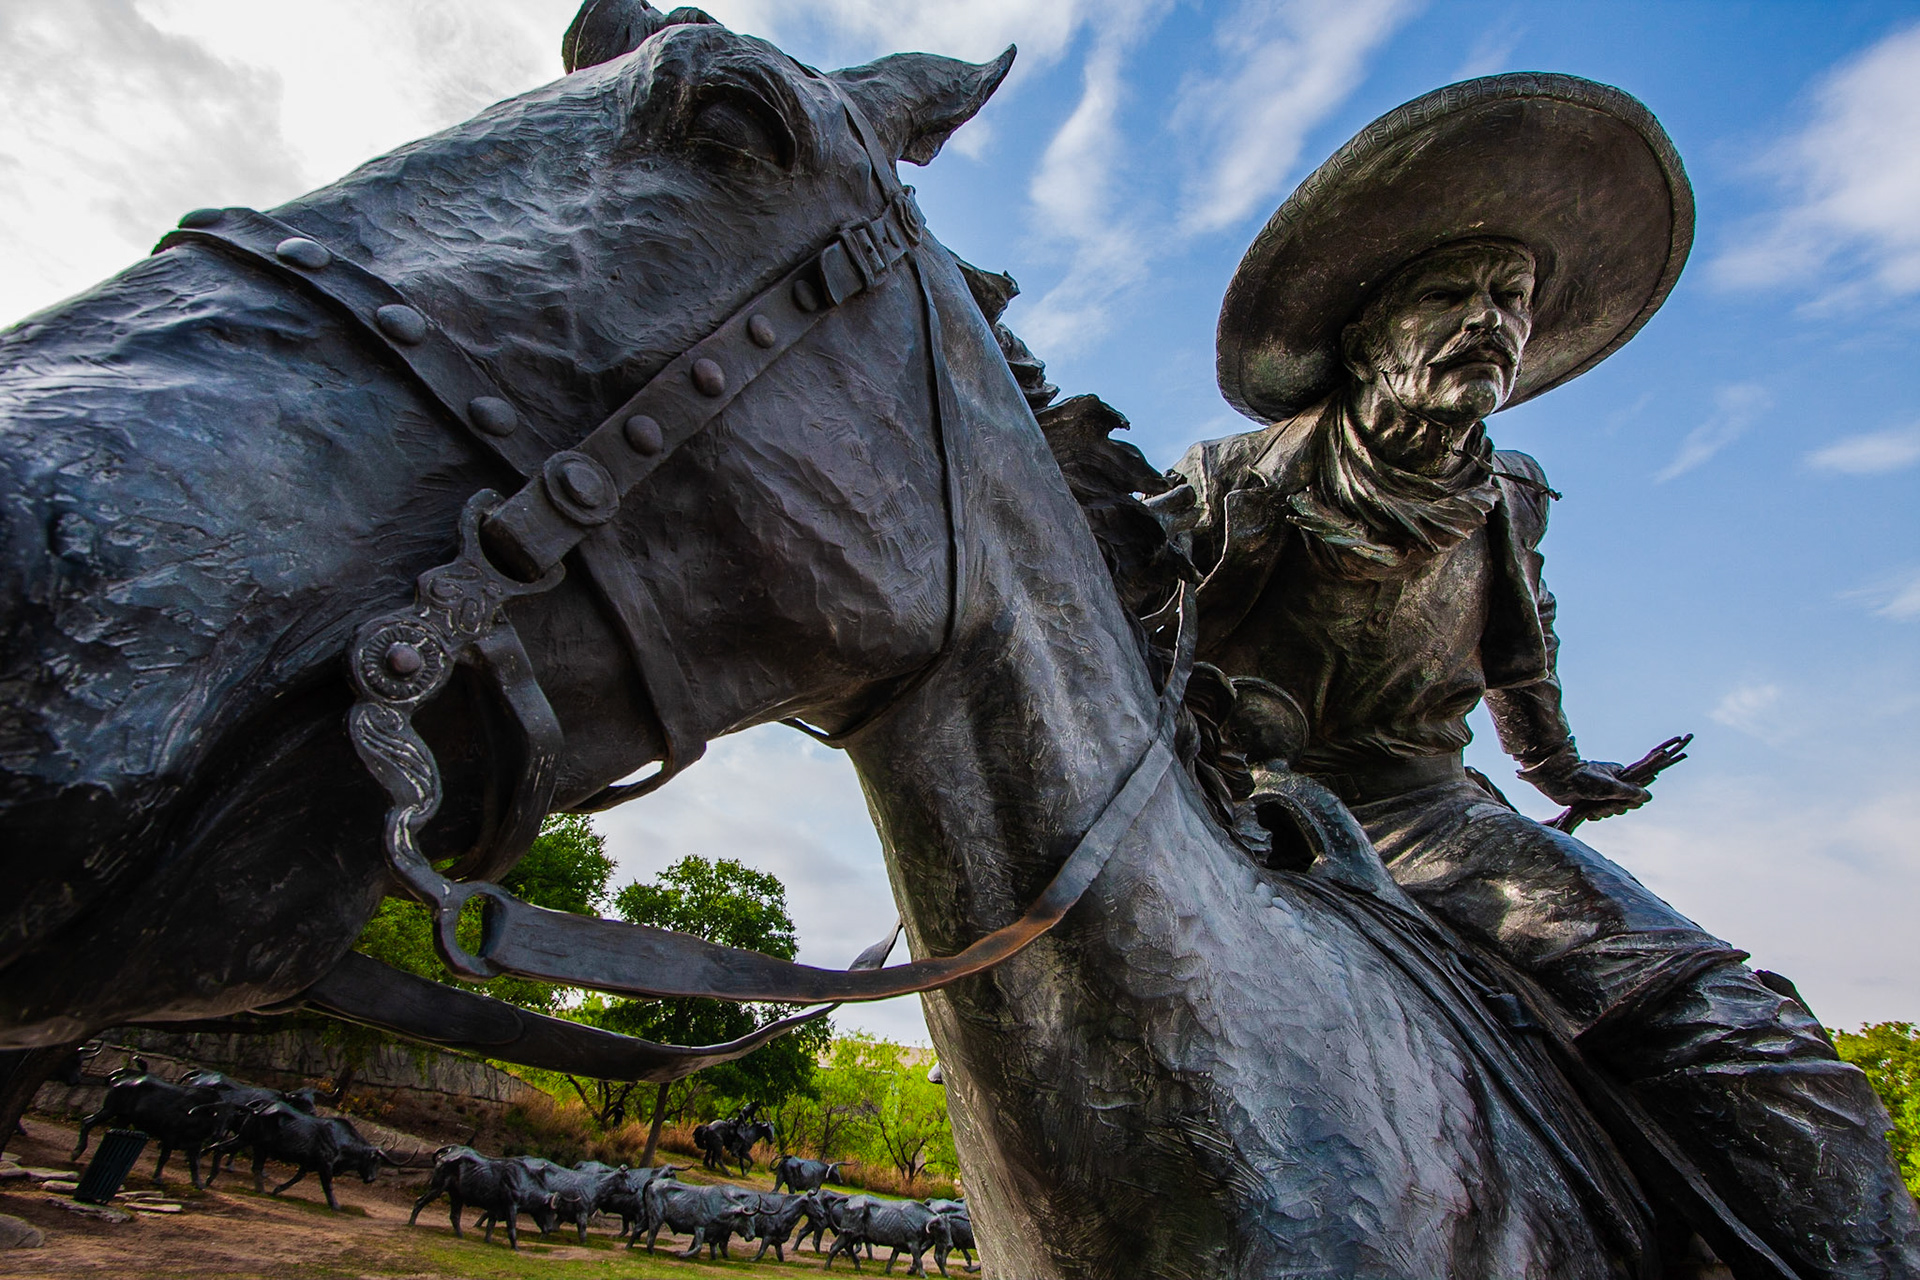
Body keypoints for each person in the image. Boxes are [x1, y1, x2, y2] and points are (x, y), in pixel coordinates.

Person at [1174, 73, 1919, 1279]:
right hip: (1224, 819)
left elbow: (1520, 657)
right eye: (1448, 293)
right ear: (1366, 333)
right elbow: (1104, 637)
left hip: (1432, 820)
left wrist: (1565, 766)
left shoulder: (1507, 496)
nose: (1490, 320)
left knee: (1754, 1043)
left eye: (1509, 297)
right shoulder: (1230, 486)